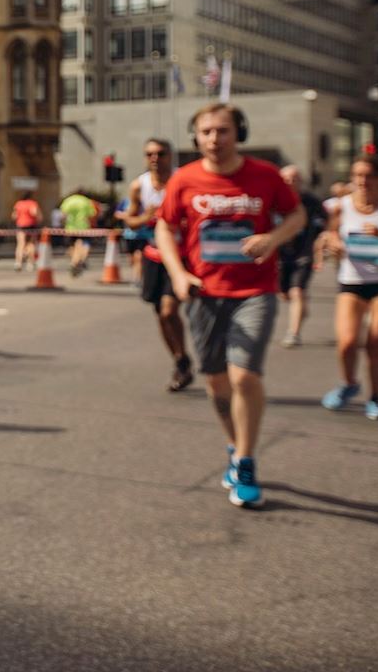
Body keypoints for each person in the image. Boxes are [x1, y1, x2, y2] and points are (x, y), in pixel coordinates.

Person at [155, 103, 304, 510]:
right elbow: (165, 227)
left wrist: (273, 239)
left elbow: (296, 214)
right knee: (217, 382)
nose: (214, 139)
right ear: (196, 137)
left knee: (243, 377)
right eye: (206, 132)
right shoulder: (184, 180)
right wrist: (178, 273)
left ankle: (247, 461)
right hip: (204, 293)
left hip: (254, 291)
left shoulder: (265, 175)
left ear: (238, 133)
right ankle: (233, 446)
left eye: (222, 131)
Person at [124, 139, 193, 392]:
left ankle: (199, 358)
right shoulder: (139, 185)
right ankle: (180, 359)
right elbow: (130, 221)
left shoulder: (183, 180)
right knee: (161, 316)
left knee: (168, 310)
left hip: (181, 256)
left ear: (170, 155)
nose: (155, 158)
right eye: (149, 154)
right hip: (153, 256)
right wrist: (147, 217)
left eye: (160, 153)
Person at [318, 155, 378, 419]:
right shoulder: (341, 206)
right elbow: (330, 232)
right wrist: (332, 241)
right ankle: (348, 383)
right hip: (351, 281)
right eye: (357, 175)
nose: (362, 181)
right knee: (346, 343)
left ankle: (375, 396)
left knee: (376, 341)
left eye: (368, 175)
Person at [276, 165, 326, 347]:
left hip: (303, 254)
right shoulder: (274, 199)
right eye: (285, 179)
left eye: (293, 178)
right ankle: (301, 307)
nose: (289, 182)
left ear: (300, 181)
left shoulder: (311, 201)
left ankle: (293, 333)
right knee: (284, 294)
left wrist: (319, 243)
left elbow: (325, 223)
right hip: (280, 255)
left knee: (296, 292)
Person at [58, 186, 98, 276]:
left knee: (72, 245)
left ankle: (75, 261)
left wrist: (63, 224)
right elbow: (92, 214)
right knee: (85, 243)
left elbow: (63, 214)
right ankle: (80, 260)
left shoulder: (69, 200)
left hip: (70, 227)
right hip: (83, 226)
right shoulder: (86, 201)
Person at [10, 190, 40, 271]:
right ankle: (30, 263)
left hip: (20, 226)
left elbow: (14, 216)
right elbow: (34, 213)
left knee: (20, 244)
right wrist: (38, 218)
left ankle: (18, 262)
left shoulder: (18, 204)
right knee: (31, 244)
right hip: (31, 225)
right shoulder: (32, 203)